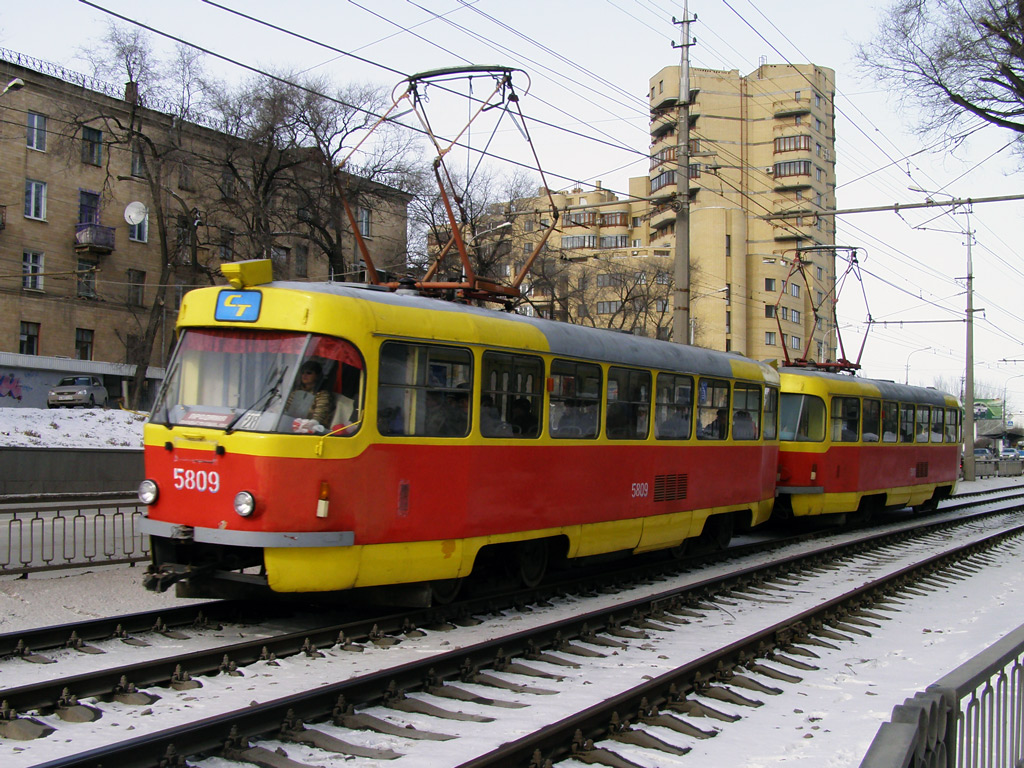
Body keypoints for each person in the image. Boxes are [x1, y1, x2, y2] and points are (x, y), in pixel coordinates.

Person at [284, 360, 333, 429]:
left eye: (309, 373)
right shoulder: (296, 392)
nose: (304, 375)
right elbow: (285, 409)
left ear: (317, 376)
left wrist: (309, 424)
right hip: (290, 425)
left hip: (311, 430)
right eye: (302, 373)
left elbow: (318, 417)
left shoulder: (323, 395)